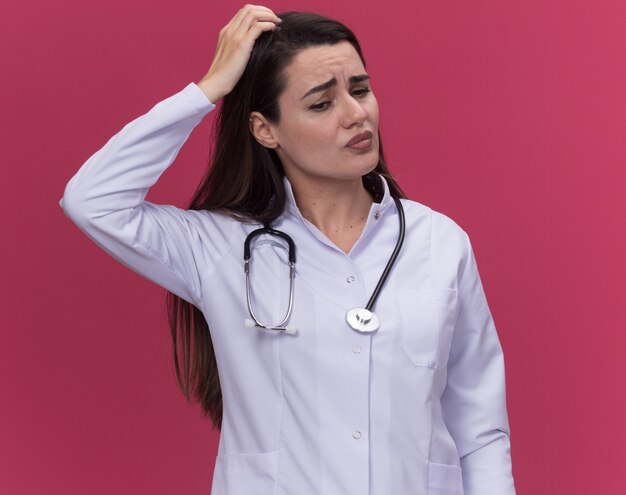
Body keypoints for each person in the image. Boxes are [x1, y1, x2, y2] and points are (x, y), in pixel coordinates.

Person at [59, 5, 516, 494]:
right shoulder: (221, 246)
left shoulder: (440, 243)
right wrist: (209, 89)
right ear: (265, 129)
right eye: (322, 104)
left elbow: (479, 428)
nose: (356, 114)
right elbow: (92, 201)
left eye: (359, 89)